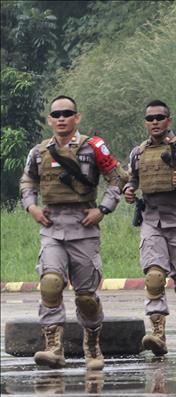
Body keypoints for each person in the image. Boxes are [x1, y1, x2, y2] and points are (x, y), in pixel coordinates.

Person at [20, 95, 128, 370]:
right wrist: (31, 207)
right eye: (56, 114)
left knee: (86, 296)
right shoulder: (39, 151)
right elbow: (28, 180)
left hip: (84, 225)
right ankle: (53, 347)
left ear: (77, 117)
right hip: (52, 225)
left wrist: (103, 209)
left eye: (67, 113)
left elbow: (116, 178)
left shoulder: (93, 148)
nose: (61, 118)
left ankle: (92, 343)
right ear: (49, 120)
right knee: (51, 283)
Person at [123, 99, 176, 357]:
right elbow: (132, 180)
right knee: (154, 277)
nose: (154, 122)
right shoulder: (138, 152)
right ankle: (158, 334)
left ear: (169, 120)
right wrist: (129, 191)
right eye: (150, 118)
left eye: (159, 117)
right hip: (152, 219)